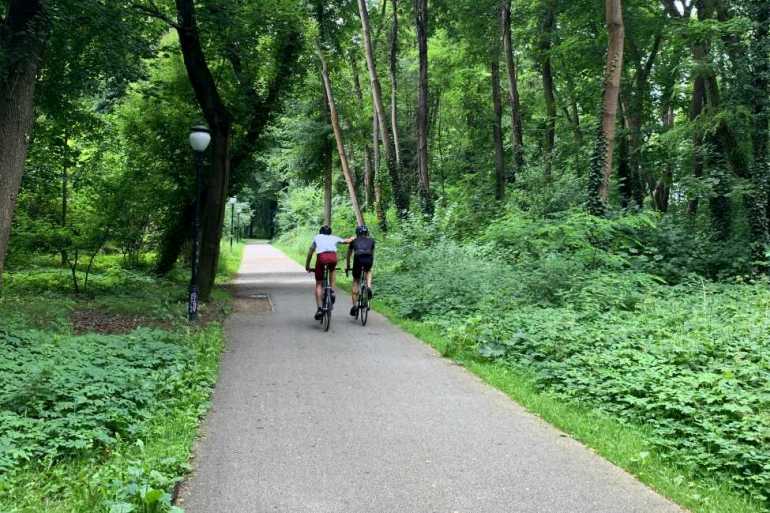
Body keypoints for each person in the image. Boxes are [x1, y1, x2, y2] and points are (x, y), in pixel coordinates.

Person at [305, 225, 353, 320]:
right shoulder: (333, 237)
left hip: (321, 258)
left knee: (319, 284)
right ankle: (331, 290)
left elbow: (310, 252)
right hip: (332, 257)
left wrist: (307, 265)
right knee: (332, 269)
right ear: (330, 232)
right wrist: (352, 238)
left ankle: (319, 309)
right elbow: (346, 241)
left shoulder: (317, 237)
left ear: (320, 232)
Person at [346, 224, 375, 317]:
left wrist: (348, 266)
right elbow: (372, 253)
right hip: (368, 259)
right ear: (366, 233)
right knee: (369, 271)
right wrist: (370, 264)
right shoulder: (371, 240)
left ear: (357, 233)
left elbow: (349, 255)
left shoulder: (353, 241)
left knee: (356, 281)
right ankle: (369, 287)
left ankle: (354, 306)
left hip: (358, 260)